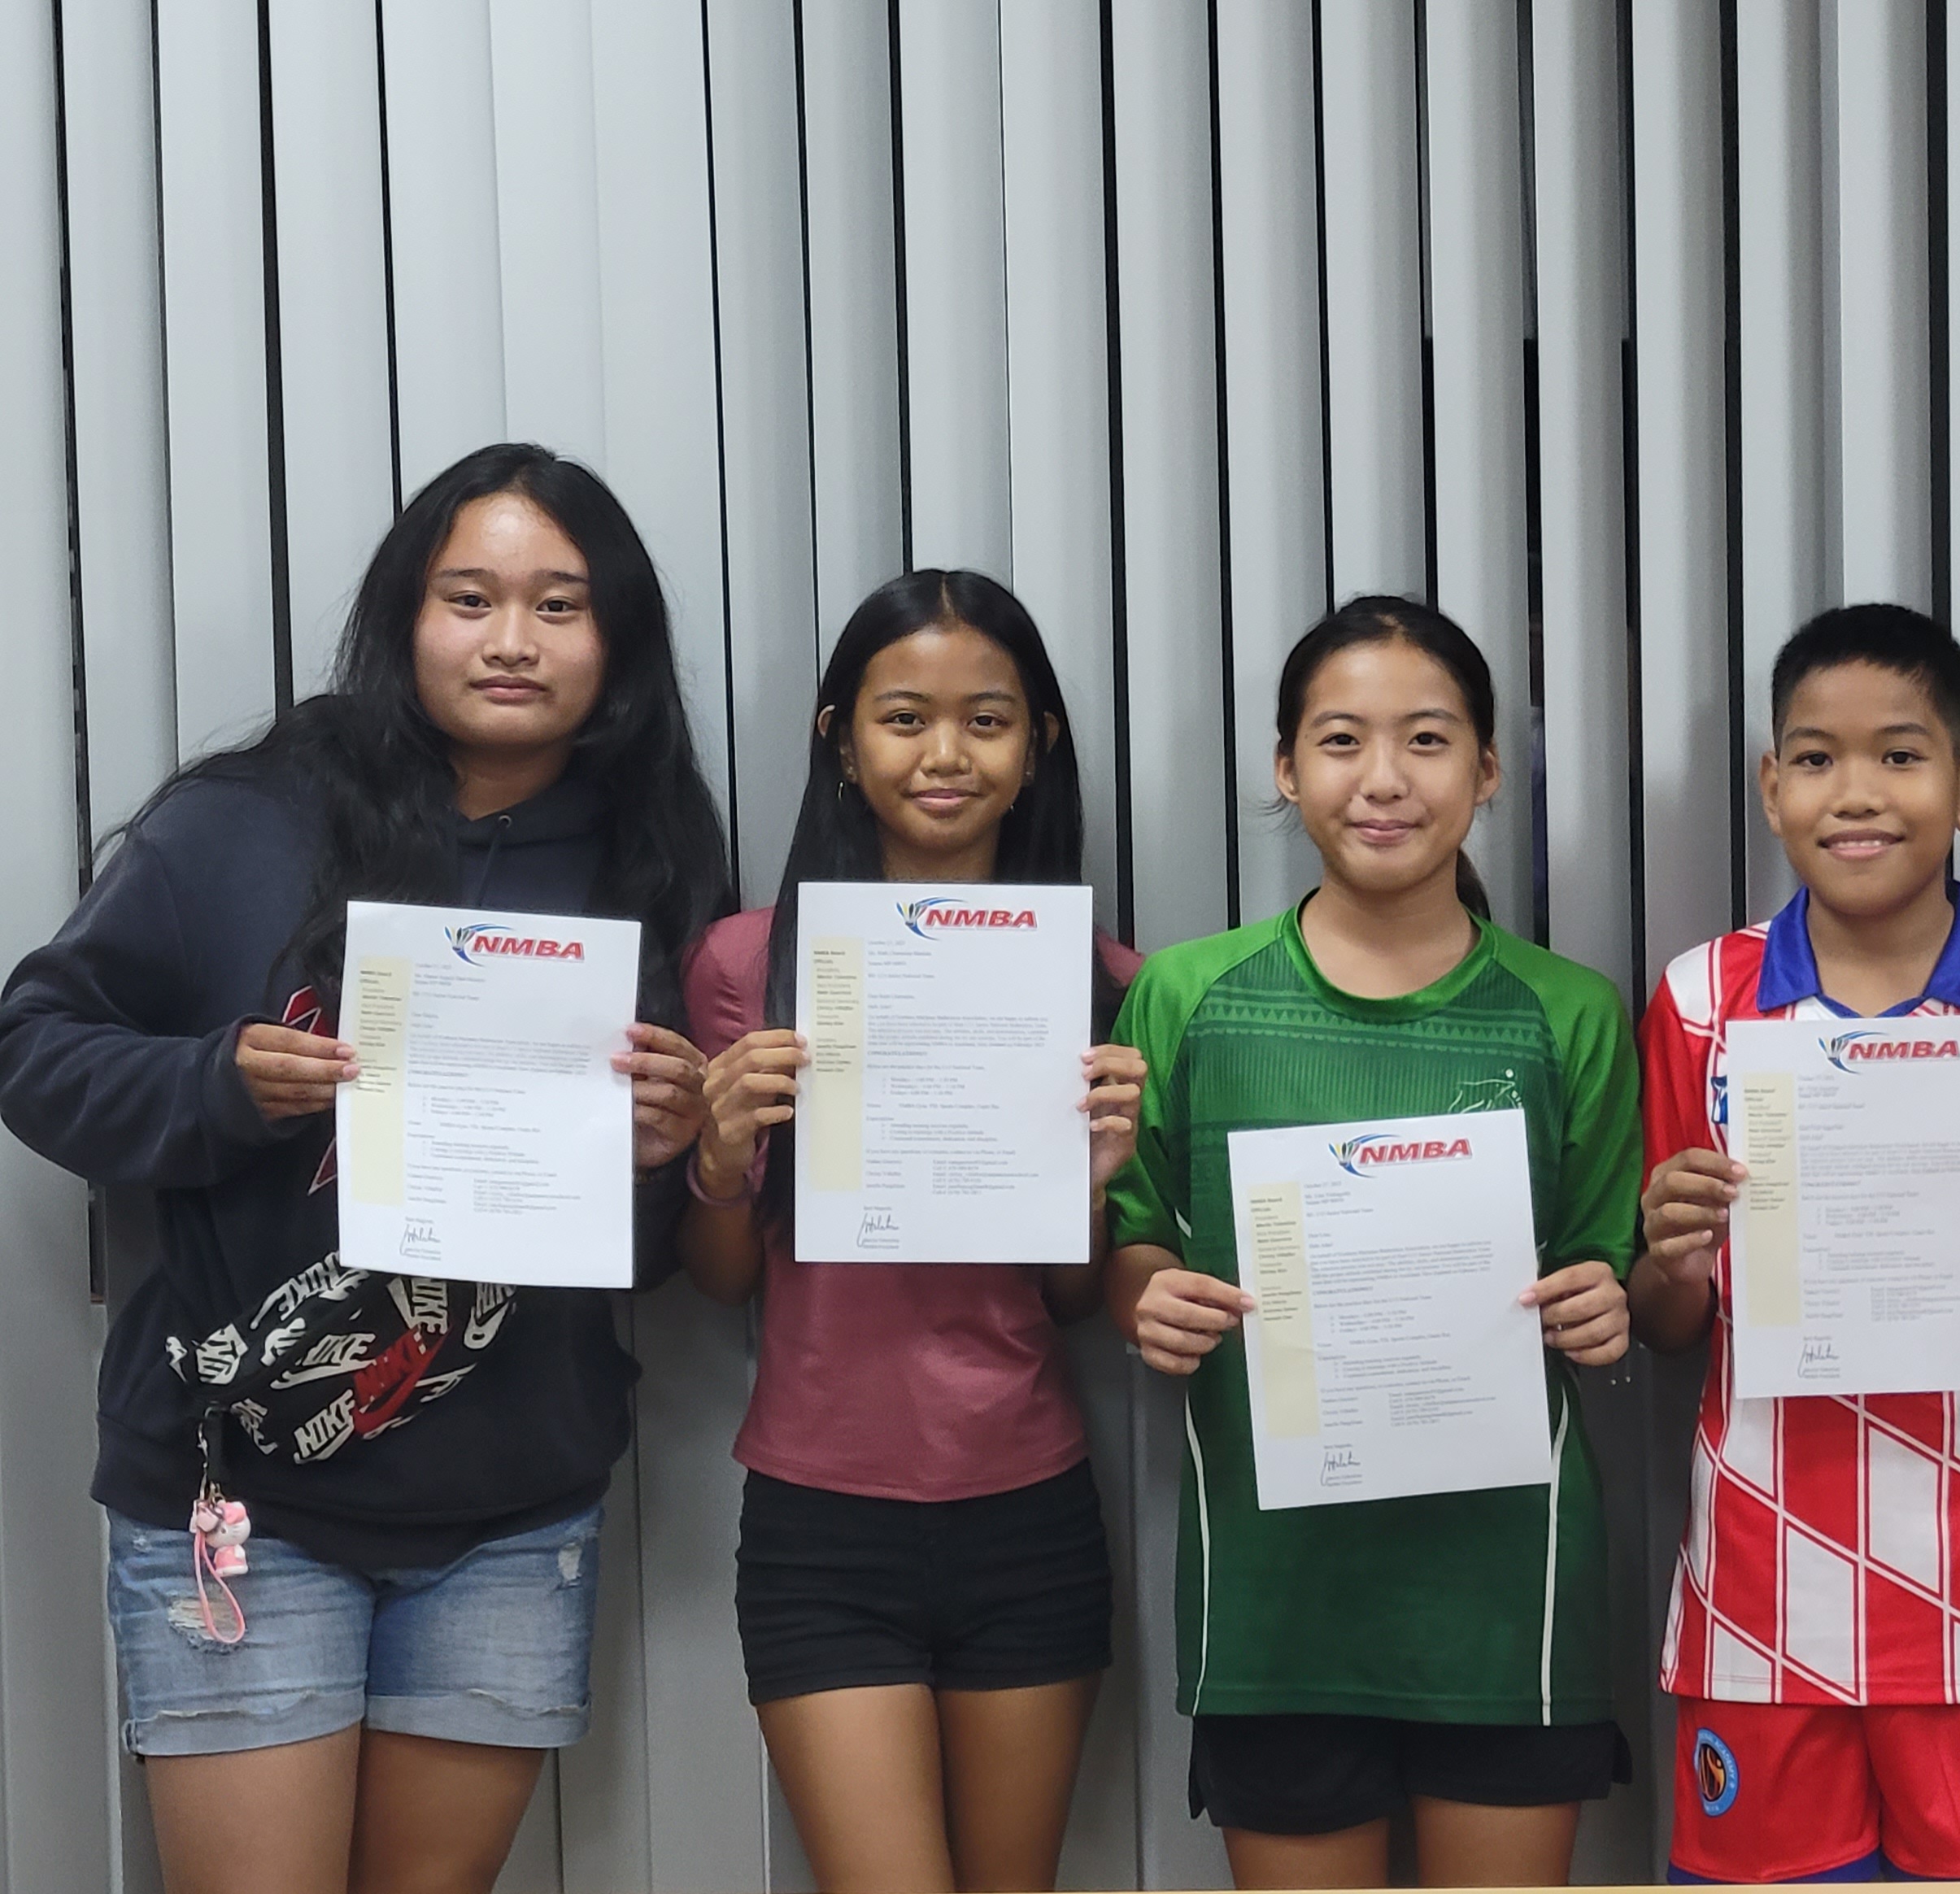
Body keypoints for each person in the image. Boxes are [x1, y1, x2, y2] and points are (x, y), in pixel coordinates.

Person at [0, 443, 732, 1894]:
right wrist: (218, 1080)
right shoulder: (249, 819)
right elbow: (35, 1045)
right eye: (470, 598)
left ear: (618, 640)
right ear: (406, 613)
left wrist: (666, 1152)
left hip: (513, 1507)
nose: (512, 639)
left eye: (559, 605)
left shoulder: (652, 859)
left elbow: (642, 1251)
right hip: (239, 1495)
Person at [1102, 597, 1639, 1889]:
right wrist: (1146, 1296)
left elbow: (1609, 1270)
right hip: (1275, 1603)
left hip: (1505, 1599)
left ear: (1488, 770)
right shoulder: (1184, 994)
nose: (1384, 779)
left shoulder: (1568, 1011)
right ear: (1286, 768)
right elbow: (1132, 1235)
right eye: (1341, 740)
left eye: (1428, 739)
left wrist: (1604, 1305)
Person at [1630, 603, 1960, 1883]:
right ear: (1771, 787)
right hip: (1761, 1588)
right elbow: (1669, 1322)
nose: (1854, 793)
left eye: (1899, 755)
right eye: (1815, 758)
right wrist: (1671, 1258)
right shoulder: (1699, 1000)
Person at [680, 570, 1145, 1892]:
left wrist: (1092, 1182)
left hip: (1028, 1504)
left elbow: (1070, 1300)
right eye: (904, 718)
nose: (945, 754)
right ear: (840, 739)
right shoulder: (747, 963)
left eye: (986, 720)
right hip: (819, 1517)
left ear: (1037, 744)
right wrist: (718, 1154)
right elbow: (721, 1282)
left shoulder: (1103, 980)